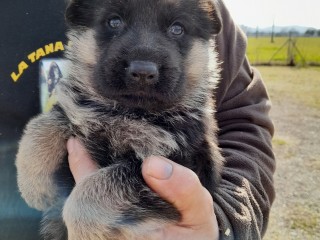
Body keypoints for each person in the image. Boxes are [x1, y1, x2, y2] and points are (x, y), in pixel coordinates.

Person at [0, 1, 275, 239]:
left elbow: (243, 122)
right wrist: (41, 141)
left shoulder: (183, 119)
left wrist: (224, 224)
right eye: (114, 21)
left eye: (177, 29)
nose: (144, 66)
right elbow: (66, 117)